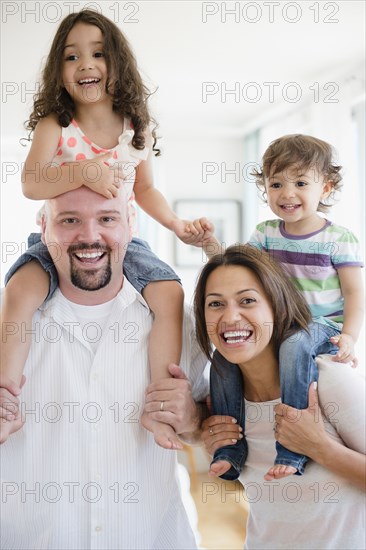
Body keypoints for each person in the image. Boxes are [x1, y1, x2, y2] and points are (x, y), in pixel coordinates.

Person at [0, 10, 208, 449]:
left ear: (117, 64)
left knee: (168, 292)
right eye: (72, 57)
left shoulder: (136, 130)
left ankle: (160, 409)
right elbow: (32, 183)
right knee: (20, 291)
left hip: (122, 240)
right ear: (59, 71)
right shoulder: (55, 126)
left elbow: (145, 188)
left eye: (98, 54)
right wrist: (84, 173)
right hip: (56, 241)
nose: (86, 65)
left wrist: (175, 224)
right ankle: (5, 401)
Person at [0, 185, 208, 549]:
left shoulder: (185, 325)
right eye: (69, 220)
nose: (89, 236)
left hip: (153, 537)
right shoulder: (9, 329)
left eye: (107, 219)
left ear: (130, 223)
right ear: (43, 226)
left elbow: (212, 427)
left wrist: (191, 418)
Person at [197, 134, 364, 481]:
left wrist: (349, 336)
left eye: (301, 182)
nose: (287, 193)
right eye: (276, 184)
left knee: (293, 346)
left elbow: (355, 293)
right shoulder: (266, 234)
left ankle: (293, 446)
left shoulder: (338, 239)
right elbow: (237, 269)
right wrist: (211, 245)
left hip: (321, 324)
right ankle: (230, 448)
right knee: (223, 358)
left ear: (327, 188)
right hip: (285, 321)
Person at [195, 244, 365, 550]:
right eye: (215, 304)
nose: (230, 317)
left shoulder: (329, 381)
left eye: (247, 300)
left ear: (277, 306)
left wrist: (320, 448)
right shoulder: (224, 396)